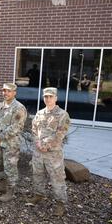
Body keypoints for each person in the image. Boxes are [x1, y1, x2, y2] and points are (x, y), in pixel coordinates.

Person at [28, 87, 71, 217]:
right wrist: (37, 143)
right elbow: (34, 129)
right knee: (37, 174)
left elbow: (61, 133)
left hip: (53, 153)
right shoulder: (39, 113)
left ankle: (60, 204)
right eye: (46, 96)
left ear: (56, 98)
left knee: (57, 178)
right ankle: (39, 195)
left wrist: (47, 145)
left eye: (50, 96)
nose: (48, 99)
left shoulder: (63, 114)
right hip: (38, 151)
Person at [0, 83, 27, 202]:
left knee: (10, 168)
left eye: (8, 91)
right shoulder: (0, 106)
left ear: (14, 92)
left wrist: (0, 137)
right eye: (4, 91)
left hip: (11, 144)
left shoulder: (18, 108)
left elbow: (16, 127)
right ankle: (1, 186)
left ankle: (10, 191)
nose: (5, 93)